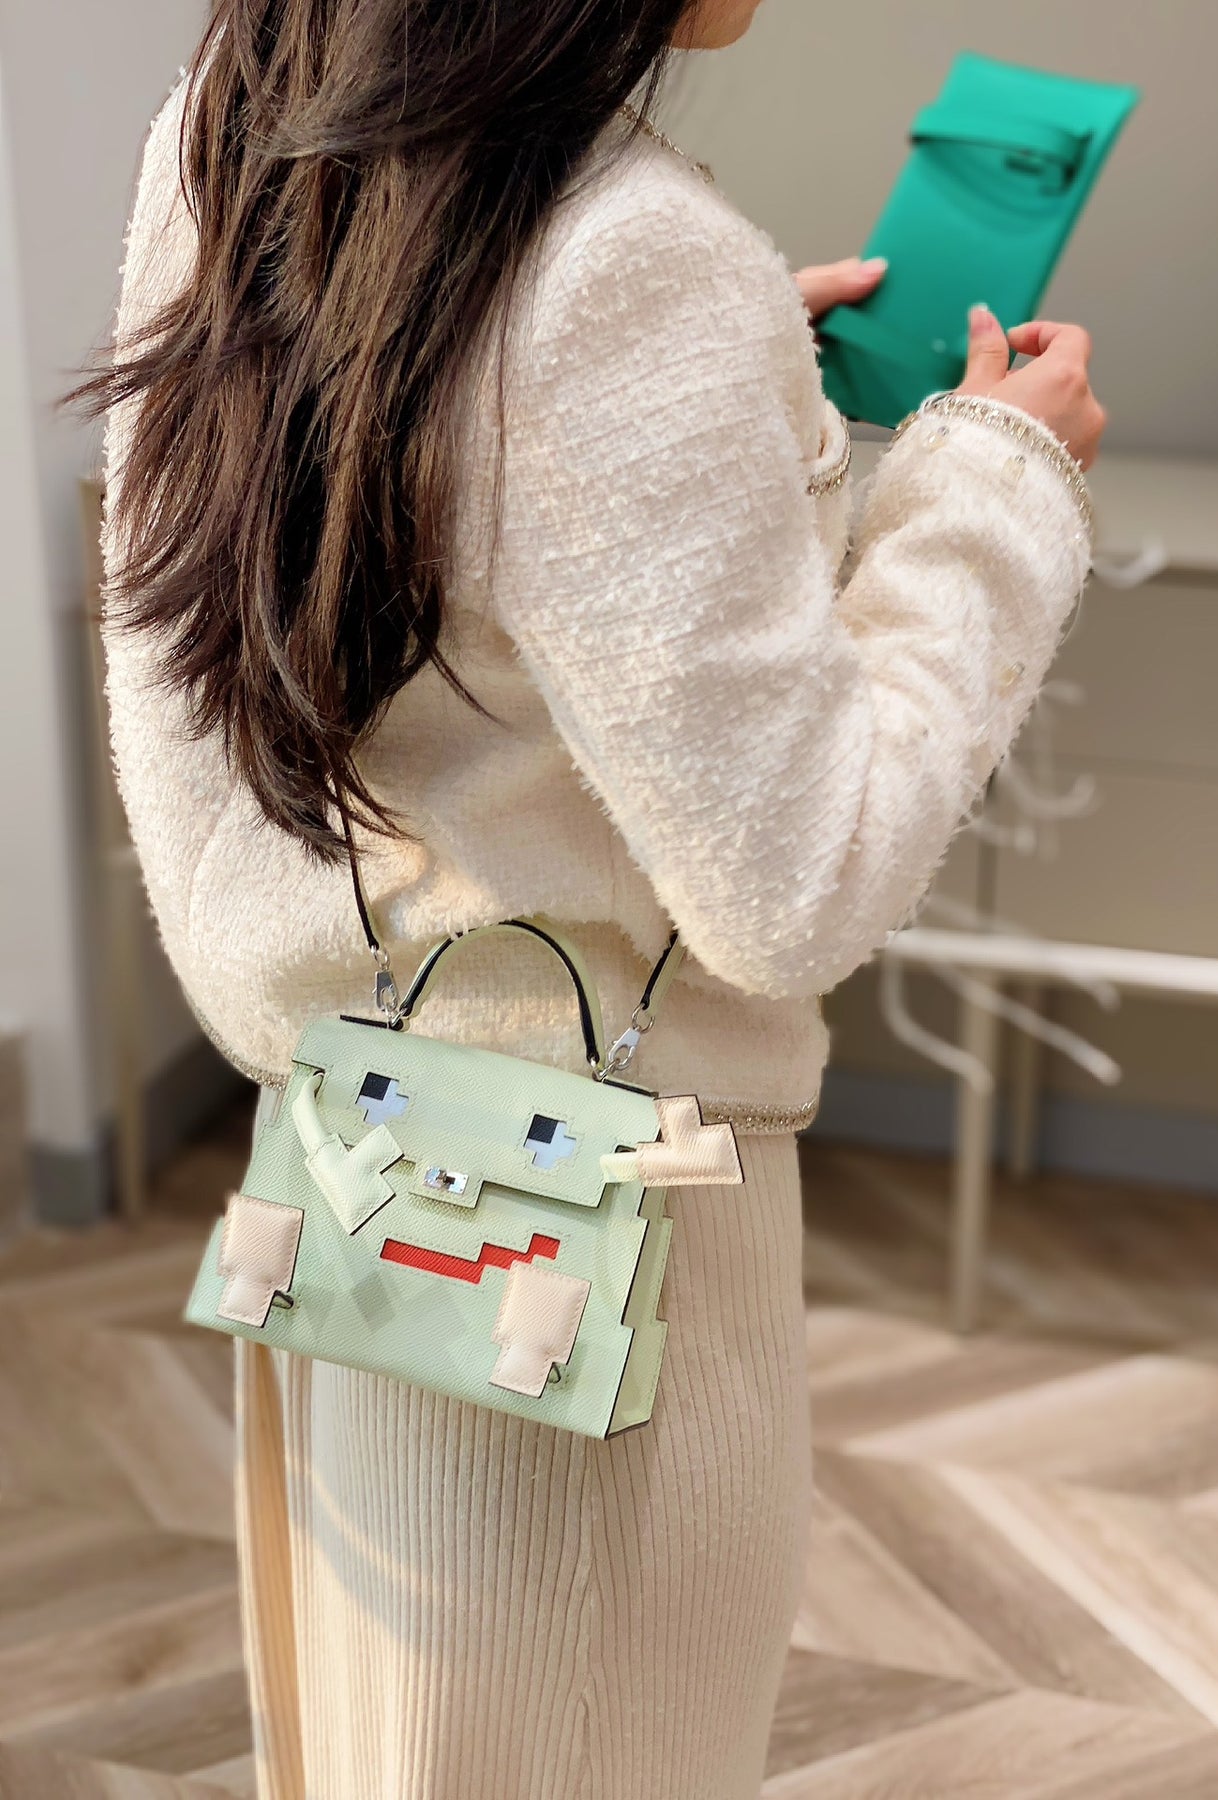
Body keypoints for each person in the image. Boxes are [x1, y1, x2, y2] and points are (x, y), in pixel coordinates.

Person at [89, 0, 1104, 1794]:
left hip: (354, 1177)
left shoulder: (247, 129)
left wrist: (700, 424)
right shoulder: (623, 258)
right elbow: (800, 882)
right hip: (591, 1235)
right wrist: (986, 487)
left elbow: (407, 505)